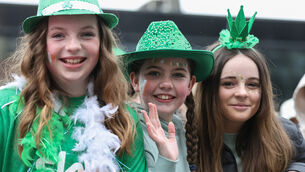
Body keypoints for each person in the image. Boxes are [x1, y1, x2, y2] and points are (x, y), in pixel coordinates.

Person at [0, 0, 147, 171]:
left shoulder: (125, 120)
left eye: (86, 34)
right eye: (58, 35)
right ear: (41, 44)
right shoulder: (6, 110)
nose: (73, 46)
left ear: (101, 43)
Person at [191, 6, 305, 172]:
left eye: (252, 84)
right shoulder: (185, 139)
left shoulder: (286, 133)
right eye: (228, 83)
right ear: (209, 89)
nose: (242, 93)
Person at [121, 20, 214, 172]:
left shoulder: (187, 133)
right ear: (135, 81)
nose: (166, 84)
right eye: (154, 73)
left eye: (177, 75)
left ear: (190, 84)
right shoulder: (124, 131)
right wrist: (166, 159)